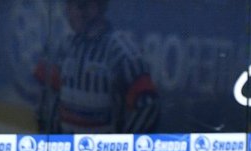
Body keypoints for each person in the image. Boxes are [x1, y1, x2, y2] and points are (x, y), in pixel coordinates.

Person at [36, 0, 160, 133]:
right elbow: (49, 101)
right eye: (70, 6)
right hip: (68, 150)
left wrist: (123, 149)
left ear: (101, 8)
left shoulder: (121, 52)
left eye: (82, 5)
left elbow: (148, 106)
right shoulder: (65, 48)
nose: (73, 13)